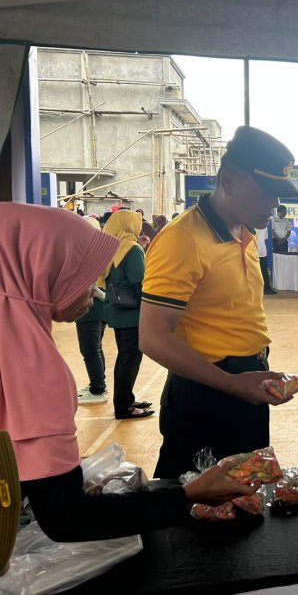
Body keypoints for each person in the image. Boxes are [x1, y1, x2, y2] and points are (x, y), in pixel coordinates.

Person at [0, 203, 257, 542]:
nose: (96, 290)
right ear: (37, 270)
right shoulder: (30, 374)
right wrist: (189, 494)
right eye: (84, 275)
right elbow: (67, 517)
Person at [140, 126, 298, 478]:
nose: (275, 204)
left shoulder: (244, 232)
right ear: (228, 182)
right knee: (197, 512)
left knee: (244, 499)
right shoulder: (182, 238)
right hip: (205, 395)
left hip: (247, 386)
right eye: (267, 192)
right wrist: (231, 383)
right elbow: (152, 337)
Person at [101, 210, 153, 419]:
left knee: (124, 358)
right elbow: (140, 282)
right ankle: (123, 406)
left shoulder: (113, 247)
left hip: (118, 311)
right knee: (129, 359)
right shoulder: (132, 249)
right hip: (132, 314)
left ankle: (126, 399)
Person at [75, 215, 109, 405]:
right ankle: (97, 383)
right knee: (95, 348)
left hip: (90, 308)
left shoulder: (87, 252)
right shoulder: (101, 250)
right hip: (98, 308)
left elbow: (92, 286)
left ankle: (98, 389)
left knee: (89, 350)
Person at [256, 226, 276, 295]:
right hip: (261, 251)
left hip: (257, 251)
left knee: (262, 271)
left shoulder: (250, 226)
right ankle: (266, 288)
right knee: (264, 270)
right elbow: (265, 238)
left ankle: (264, 288)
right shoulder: (264, 227)